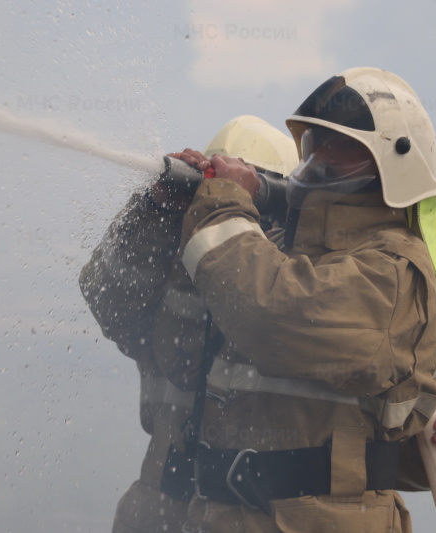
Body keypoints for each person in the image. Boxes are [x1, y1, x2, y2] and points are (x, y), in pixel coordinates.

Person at [169, 67, 436, 532]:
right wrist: (159, 214)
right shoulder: (282, 250)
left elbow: (271, 318)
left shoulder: (390, 271)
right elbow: (150, 329)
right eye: (315, 145)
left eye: (345, 149)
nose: (323, 159)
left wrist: (224, 204)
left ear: (395, 166)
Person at [79, 116, 300, 533]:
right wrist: (155, 211)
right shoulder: (175, 265)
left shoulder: (290, 297)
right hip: (159, 512)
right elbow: (109, 299)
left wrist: (433, 439)